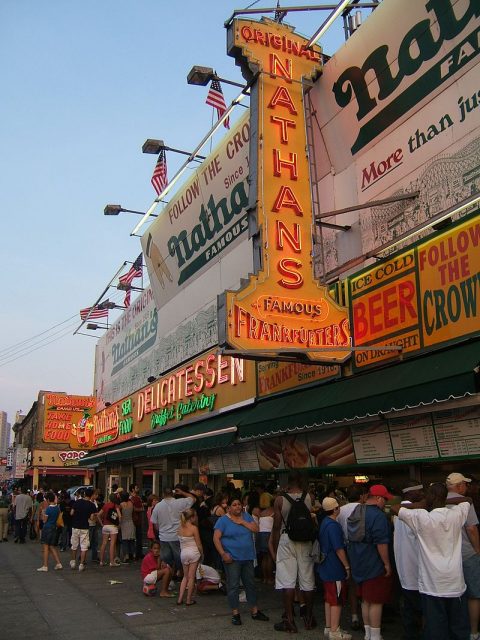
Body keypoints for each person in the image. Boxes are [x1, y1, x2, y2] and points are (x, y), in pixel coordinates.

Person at [391, 482, 471, 640]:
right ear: (444, 496)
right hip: (455, 583)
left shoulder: (421, 518)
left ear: (430, 498)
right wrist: (443, 501)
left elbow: (395, 508)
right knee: (459, 628)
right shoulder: (456, 515)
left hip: (432, 584)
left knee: (436, 629)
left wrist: (424, 503)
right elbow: (468, 500)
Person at [270, 471, 316, 632]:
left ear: (288, 482)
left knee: (287, 581)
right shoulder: (309, 497)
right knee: (307, 579)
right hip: (305, 541)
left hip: (286, 539)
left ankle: (289, 620)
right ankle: (309, 618)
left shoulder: (280, 500)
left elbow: (276, 526)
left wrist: (275, 548)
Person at [214, 496, 269, 626]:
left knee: (250, 584)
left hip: (248, 557)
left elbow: (256, 529)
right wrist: (223, 553)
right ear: (229, 508)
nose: (237, 507)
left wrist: (242, 522)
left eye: (239, 504)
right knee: (233, 586)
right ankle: (235, 613)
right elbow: (216, 538)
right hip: (232, 558)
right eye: (234, 505)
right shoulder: (223, 521)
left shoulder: (247, 516)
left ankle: (254, 611)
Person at [347, 484, 393, 640]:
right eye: (385, 499)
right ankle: (375, 635)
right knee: (376, 601)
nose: (385, 503)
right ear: (378, 498)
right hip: (374, 563)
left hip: (358, 561)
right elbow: (381, 543)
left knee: (365, 600)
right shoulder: (378, 516)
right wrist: (386, 564)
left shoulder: (357, 511)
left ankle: (368, 634)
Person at [446, 472, 480, 640]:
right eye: (465, 484)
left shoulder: (440, 501)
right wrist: (478, 551)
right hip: (467, 554)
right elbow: (472, 529)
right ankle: (473, 632)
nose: (467, 487)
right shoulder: (465, 502)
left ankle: (456, 629)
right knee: (474, 594)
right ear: (459, 486)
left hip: (449, 556)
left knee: (455, 594)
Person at [392, 480, 424, 640]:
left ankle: (409, 634)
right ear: (410, 493)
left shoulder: (397, 514)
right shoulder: (412, 513)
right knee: (419, 607)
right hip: (415, 568)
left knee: (407, 606)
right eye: (420, 491)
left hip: (403, 567)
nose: (423, 494)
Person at [317, 497, 352, 640]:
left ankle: (329, 626)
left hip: (325, 566)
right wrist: (347, 566)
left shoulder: (324, 523)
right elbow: (339, 549)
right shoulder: (333, 525)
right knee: (336, 599)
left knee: (328, 598)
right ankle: (335, 630)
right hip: (335, 567)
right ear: (336, 509)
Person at [337, 484, 368, 631]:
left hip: (345, 549)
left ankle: (354, 615)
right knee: (366, 582)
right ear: (362, 496)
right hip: (362, 549)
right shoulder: (365, 509)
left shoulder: (340, 511)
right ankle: (367, 618)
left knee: (351, 584)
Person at [150, 485, 195, 576]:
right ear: (173, 493)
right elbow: (193, 499)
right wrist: (182, 492)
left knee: (166, 559)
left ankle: (169, 577)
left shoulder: (157, 507)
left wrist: (161, 530)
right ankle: (181, 574)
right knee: (179, 557)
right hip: (177, 536)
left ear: (163, 494)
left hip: (164, 537)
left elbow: (155, 524)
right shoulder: (180, 503)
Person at [177, 508, 203, 606]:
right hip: (193, 552)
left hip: (183, 553)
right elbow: (199, 544)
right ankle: (188, 600)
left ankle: (179, 599)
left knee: (185, 576)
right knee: (192, 577)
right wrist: (202, 553)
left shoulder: (179, 528)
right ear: (192, 518)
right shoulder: (194, 528)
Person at [69, 487, 97, 571]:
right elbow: (92, 518)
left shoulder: (77, 502)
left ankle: (73, 562)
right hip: (85, 527)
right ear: (91, 495)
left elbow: (71, 513)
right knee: (84, 546)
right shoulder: (91, 505)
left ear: (84, 494)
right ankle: (81, 564)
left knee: (74, 545)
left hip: (75, 526)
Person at [37, 492, 63, 572]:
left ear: (48, 500)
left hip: (47, 528)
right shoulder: (57, 508)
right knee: (51, 546)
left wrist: (42, 513)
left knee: (45, 547)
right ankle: (58, 563)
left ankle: (45, 565)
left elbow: (44, 520)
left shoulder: (48, 509)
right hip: (54, 528)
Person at [98, 492, 121, 567]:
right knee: (112, 544)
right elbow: (120, 516)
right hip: (113, 526)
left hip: (105, 526)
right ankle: (111, 561)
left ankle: (101, 561)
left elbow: (98, 515)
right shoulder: (116, 505)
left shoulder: (106, 505)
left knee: (104, 543)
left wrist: (101, 524)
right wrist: (119, 525)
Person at [258, 497, 275, 584]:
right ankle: (270, 578)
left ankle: (264, 578)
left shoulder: (262, 512)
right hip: (269, 534)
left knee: (264, 558)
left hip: (261, 534)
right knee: (270, 558)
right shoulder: (274, 512)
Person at [119, 491, 136, 562]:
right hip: (130, 522)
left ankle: (126, 556)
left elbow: (119, 513)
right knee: (132, 540)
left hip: (124, 523)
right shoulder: (131, 504)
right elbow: (134, 512)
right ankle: (133, 554)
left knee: (125, 540)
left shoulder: (121, 505)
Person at [129, 484, 145, 560]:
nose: (138, 489)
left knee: (139, 537)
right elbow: (134, 508)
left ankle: (139, 553)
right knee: (133, 538)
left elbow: (141, 506)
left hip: (138, 520)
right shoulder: (131, 498)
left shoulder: (138, 497)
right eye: (136, 487)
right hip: (133, 520)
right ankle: (133, 553)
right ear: (132, 489)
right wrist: (140, 509)